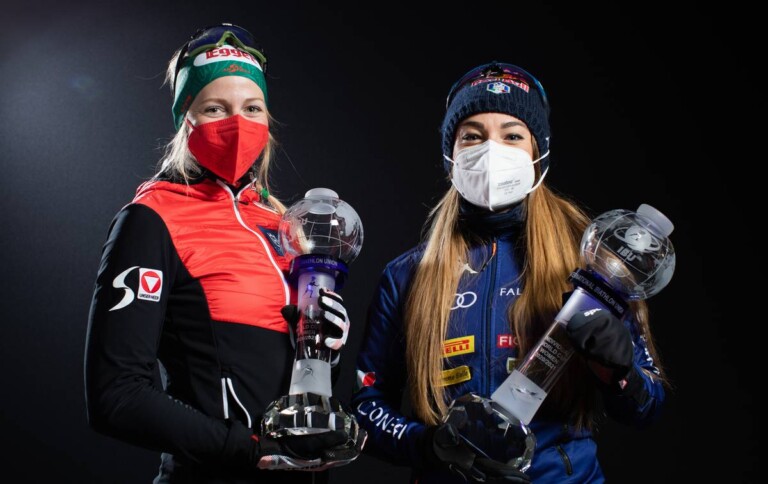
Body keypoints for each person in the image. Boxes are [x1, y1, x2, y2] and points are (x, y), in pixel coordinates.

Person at [351, 62, 667, 483]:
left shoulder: (590, 264)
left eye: (512, 135)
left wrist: (620, 372)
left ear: (538, 152)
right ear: (451, 156)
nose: (491, 150)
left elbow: (648, 405)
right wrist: (429, 445)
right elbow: (368, 406)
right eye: (472, 136)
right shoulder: (407, 275)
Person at [84, 23, 364, 483]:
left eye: (252, 108)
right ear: (186, 118)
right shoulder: (151, 218)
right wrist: (248, 450)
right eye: (215, 108)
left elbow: (291, 391)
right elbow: (116, 396)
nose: (238, 123)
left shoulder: (282, 225)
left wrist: (325, 353)